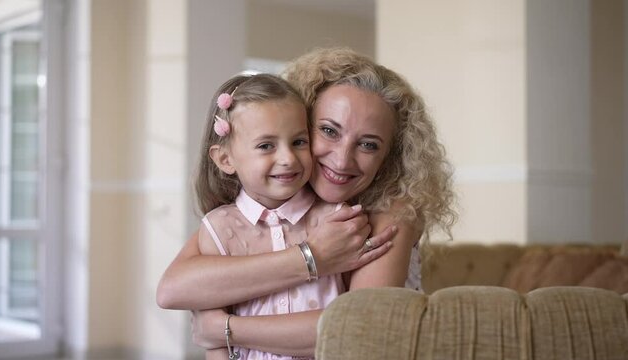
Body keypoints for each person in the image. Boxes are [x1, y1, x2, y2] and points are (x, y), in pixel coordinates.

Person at [157, 47, 456, 358]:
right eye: (328, 131)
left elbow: (360, 329)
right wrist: (313, 257)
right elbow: (172, 289)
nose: (342, 160)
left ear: (389, 158)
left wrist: (224, 329)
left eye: (368, 145)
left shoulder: (392, 211)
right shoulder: (268, 205)